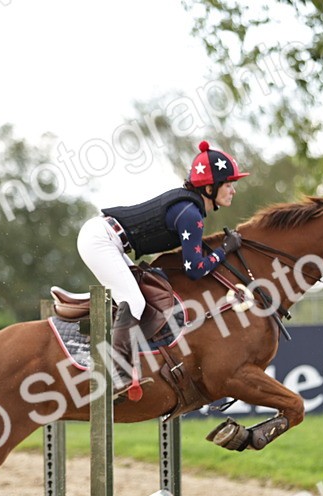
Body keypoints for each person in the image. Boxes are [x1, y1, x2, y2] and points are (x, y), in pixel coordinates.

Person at [76, 140, 249, 399]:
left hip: (109, 240)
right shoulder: (190, 213)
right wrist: (225, 248)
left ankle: (102, 342)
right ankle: (116, 373)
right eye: (228, 184)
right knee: (133, 300)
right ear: (210, 187)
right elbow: (195, 269)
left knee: (139, 294)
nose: (233, 190)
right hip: (101, 239)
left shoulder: (190, 207)